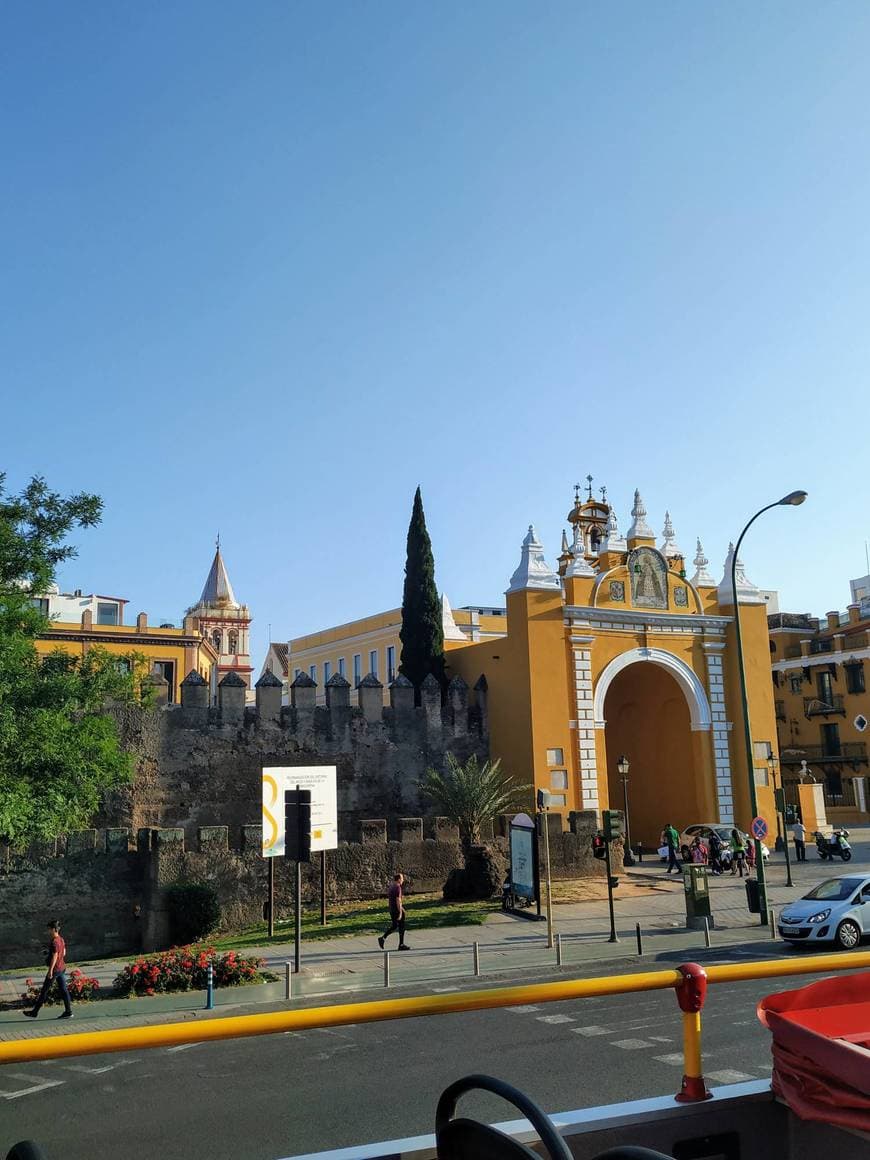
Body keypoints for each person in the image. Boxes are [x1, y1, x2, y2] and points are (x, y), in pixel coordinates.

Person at [24, 919, 73, 1020]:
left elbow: (55, 956)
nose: (48, 931)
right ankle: (68, 1012)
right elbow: (63, 953)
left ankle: (34, 1012)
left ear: (54, 929)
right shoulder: (61, 939)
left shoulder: (54, 941)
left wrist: (50, 971)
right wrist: (50, 953)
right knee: (64, 990)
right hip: (62, 968)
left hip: (55, 970)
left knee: (44, 991)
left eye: (50, 929)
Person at [377, 872, 409, 950]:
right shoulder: (398, 887)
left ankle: (383, 938)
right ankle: (401, 944)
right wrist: (400, 912)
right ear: (398, 879)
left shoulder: (391, 887)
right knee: (401, 926)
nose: (403, 880)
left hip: (392, 909)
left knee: (394, 926)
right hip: (397, 910)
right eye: (402, 878)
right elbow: (398, 900)